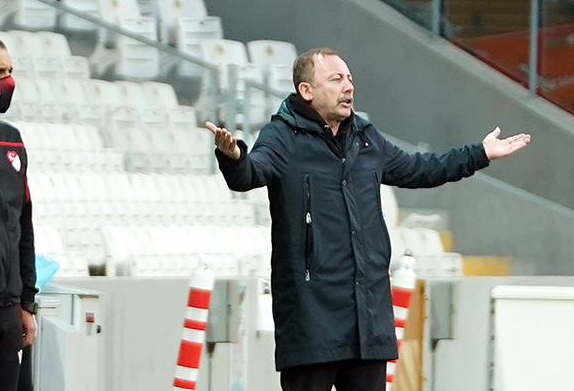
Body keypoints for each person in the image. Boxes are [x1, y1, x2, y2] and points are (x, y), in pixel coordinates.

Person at [206, 47, 530, 391]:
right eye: (336, 79)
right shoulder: (282, 136)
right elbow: (251, 174)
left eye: (349, 79)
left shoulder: (365, 138)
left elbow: (421, 169)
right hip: (311, 321)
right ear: (307, 90)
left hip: (367, 320)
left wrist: (479, 153)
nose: (348, 86)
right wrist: (234, 156)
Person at [0, 35, 38, 391]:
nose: (7, 81)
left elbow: (23, 225)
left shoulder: (12, 139)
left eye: (9, 71)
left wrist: (26, 303)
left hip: (8, 312)